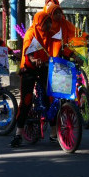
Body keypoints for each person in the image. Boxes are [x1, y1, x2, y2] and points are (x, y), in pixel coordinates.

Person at [11, 10, 55, 148]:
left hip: (44, 66)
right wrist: (33, 59)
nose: (48, 25)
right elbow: (27, 51)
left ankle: (54, 133)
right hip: (29, 68)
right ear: (38, 23)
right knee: (26, 101)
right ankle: (18, 133)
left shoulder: (51, 33)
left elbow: (60, 46)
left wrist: (71, 55)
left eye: (49, 22)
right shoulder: (31, 33)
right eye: (45, 23)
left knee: (50, 98)